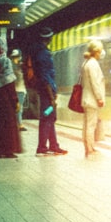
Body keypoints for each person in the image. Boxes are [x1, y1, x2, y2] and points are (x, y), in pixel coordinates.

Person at [32, 27, 67, 155]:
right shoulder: (43, 54)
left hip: (46, 91)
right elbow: (45, 76)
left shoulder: (39, 52)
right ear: (48, 38)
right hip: (47, 92)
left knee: (50, 117)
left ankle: (53, 145)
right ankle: (42, 147)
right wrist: (51, 96)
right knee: (47, 116)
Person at [80, 39, 107, 157]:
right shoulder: (93, 64)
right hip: (92, 100)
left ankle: (88, 146)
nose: (101, 53)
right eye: (100, 51)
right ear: (96, 51)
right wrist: (99, 98)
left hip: (86, 98)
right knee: (91, 125)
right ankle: (89, 148)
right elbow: (95, 83)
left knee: (87, 125)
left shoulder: (86, 63)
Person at [9, 48, 27, 131]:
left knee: (19, 107)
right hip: (15, 89)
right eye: (14, 57)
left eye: (17, 56)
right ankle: (18, 124)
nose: (15, 58)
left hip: (20, 89)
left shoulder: (22, 66)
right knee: (17, 107)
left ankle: (18, 124)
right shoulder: (11, 66)